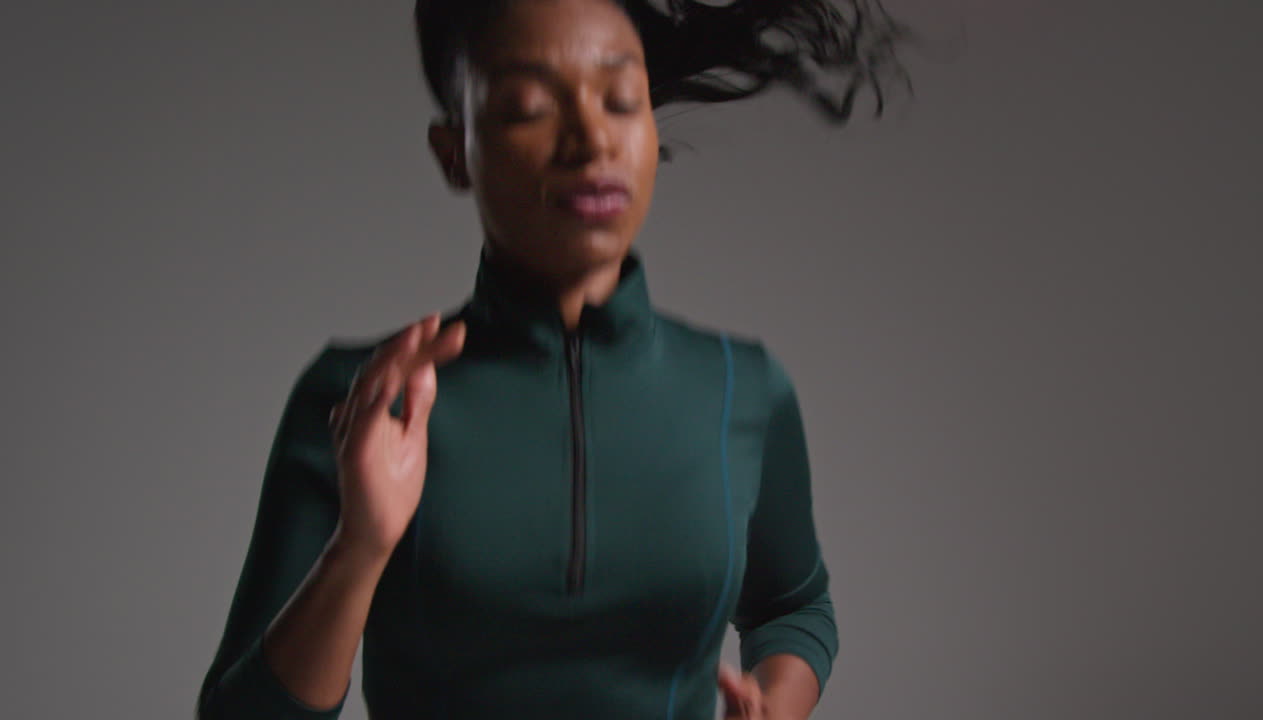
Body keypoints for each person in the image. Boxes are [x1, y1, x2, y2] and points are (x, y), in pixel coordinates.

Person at [196, 1, 911, 718]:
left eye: (622, 101)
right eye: (530, 107)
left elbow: (796, 606)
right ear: (455, 153)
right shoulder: (363, 400)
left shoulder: (741, 388)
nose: (592, 138)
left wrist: (776, 707)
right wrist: (359, 548)